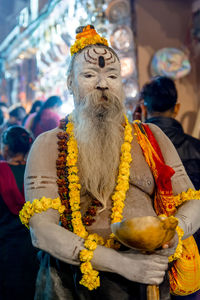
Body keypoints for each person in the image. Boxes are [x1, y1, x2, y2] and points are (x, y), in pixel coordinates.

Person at [20, 25, 200, 300]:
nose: (102, 84)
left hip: (149, 283)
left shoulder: (151, 137)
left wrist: (174, 233)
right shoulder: (48, 144)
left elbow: (193, 201)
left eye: (112, 75)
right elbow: (41, 231)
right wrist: (124, 264)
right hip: (76, 285)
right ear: (70, 82)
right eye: (90, 75)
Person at [0, 126, 38, 300]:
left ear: (6, 148)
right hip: (33, 244)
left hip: (5, 243)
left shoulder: (1, 171)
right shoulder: (37, 172)